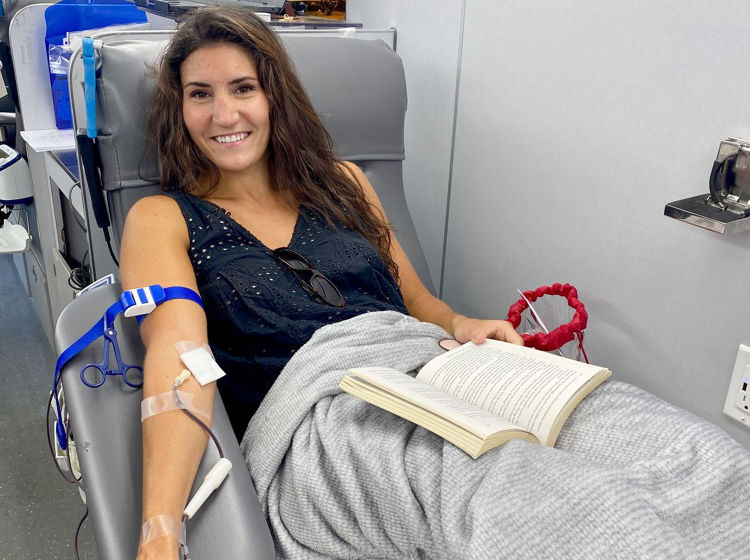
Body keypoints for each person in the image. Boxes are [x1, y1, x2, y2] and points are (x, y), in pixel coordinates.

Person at [120, 6, 521, 558]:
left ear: (274, 96)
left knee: (602, 427)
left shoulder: (345, 182)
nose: (224, 113)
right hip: (320, 423)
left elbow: (417, 300)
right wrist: (159, 533)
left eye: (243, 87)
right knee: (504, 494)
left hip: (431, 372)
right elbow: (178, 353)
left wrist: (462, 324)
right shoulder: (162, 217)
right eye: (200, 94)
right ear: (178, 108)